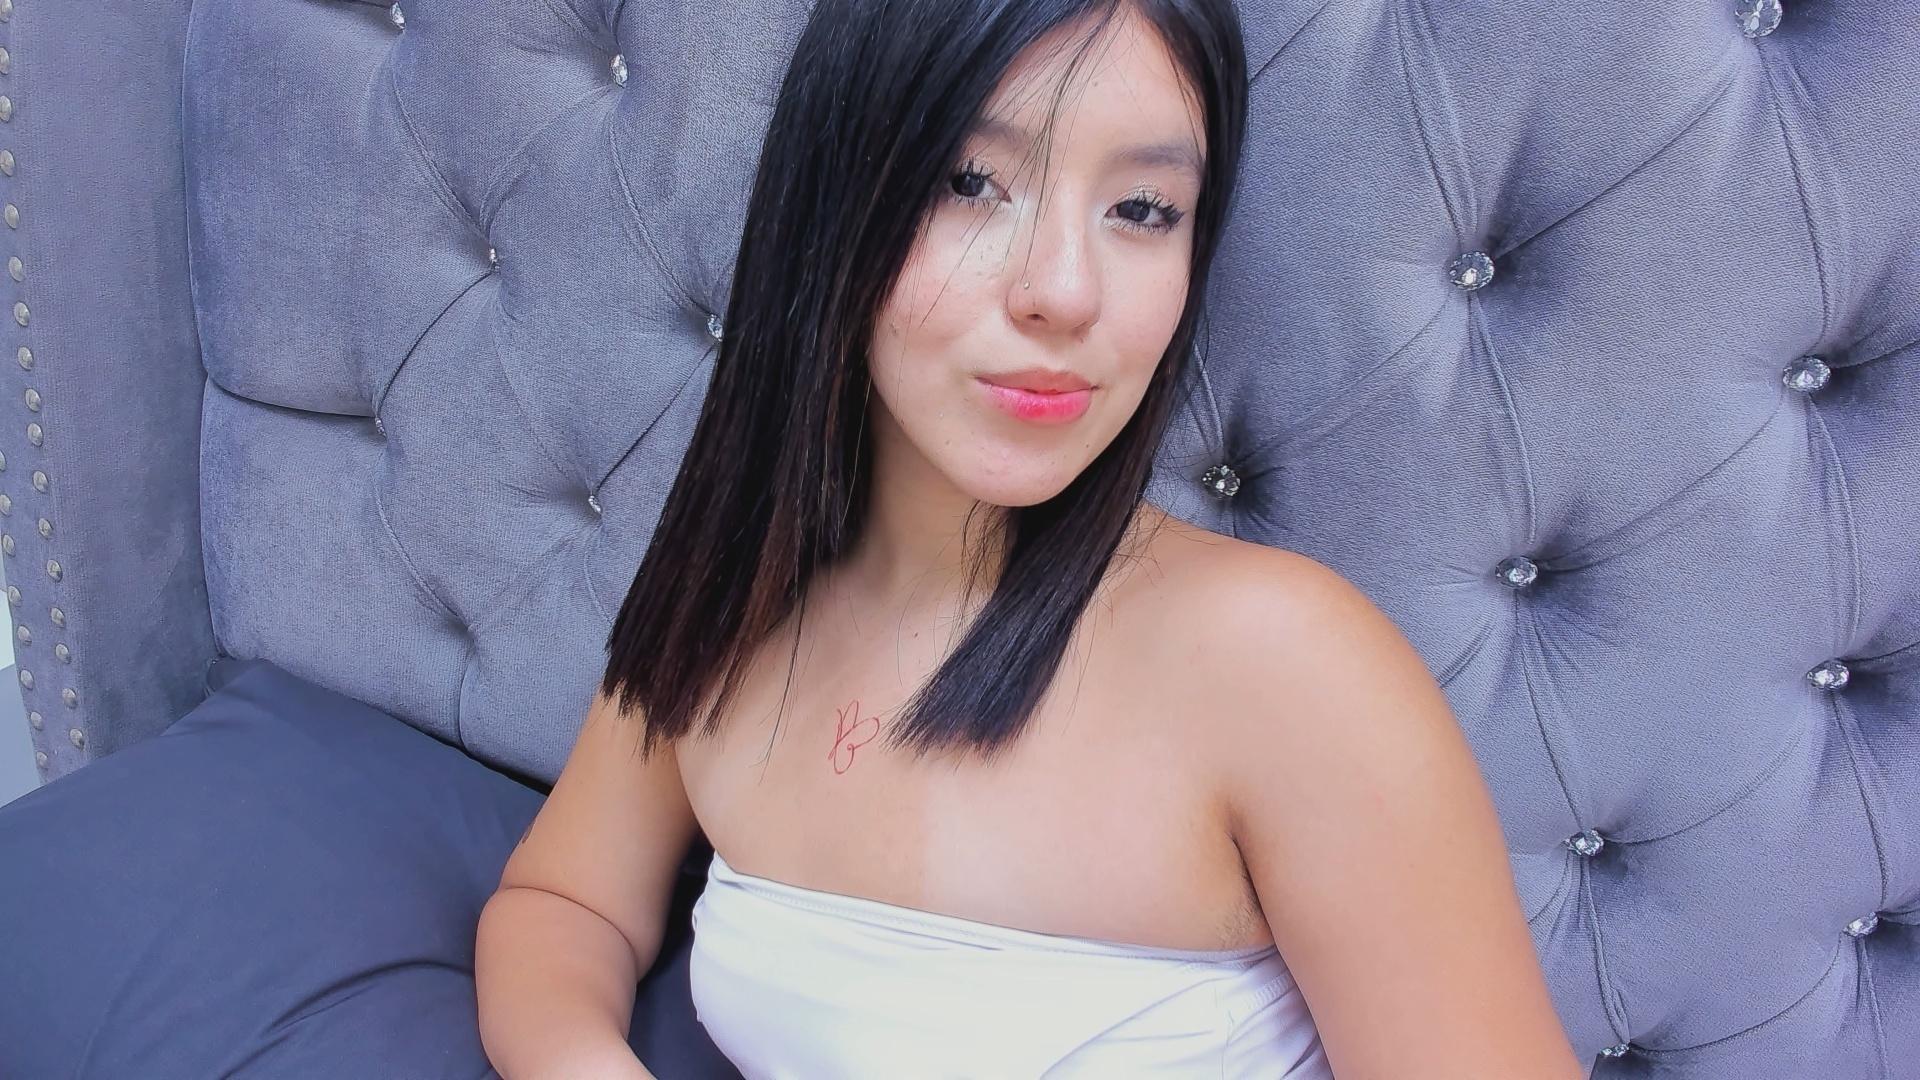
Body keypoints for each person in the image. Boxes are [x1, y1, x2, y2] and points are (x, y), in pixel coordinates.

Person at [476, 0, 1585, 1076]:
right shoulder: (738, 597)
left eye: (1142, 209)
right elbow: (562, 901)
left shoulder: (1286, 665)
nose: (1063, 291)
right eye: (970, 183)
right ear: (836, 201)